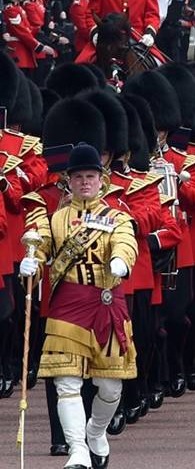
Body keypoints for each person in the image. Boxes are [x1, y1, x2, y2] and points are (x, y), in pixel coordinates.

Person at [23, 102, 138, 469]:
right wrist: (32, 262)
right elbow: (40, 245)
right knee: (67, 383)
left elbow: (126, 241)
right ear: (68, 182)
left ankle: (96, 431)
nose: (84, 182)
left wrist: (122, 259)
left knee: (110, 387)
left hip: (105, 304)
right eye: (78, 177)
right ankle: (77, 450)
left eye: (90, 176)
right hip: (68, 305)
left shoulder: (117, 215)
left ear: (101, 180)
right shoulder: (54, 219)